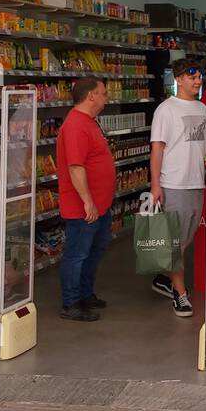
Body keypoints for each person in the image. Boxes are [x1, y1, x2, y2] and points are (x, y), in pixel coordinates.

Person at [149, 58, 206, 318]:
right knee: (175, 243)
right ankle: (180, 295)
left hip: (196, 182)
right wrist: (155, 185)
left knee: (183, 241)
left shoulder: (203, 109)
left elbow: (205, 148)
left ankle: (164, 279)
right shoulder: (166, 110)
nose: (197, 82)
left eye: (199, 78)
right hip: (173, 182)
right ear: (179, 79)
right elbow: (157, 149)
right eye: (192, 77)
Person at [56, 76, 116, 322]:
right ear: (91, 95)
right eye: (102, 93)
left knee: (94, 251)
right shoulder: (75, 126)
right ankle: (71, 302)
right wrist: (88, 201)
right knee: (77, 254)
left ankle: (85, 293)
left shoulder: (89, 122)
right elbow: (75, 167)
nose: (105, 97)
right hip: (84, 207)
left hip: (100, 205)